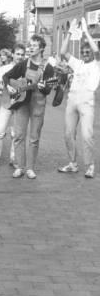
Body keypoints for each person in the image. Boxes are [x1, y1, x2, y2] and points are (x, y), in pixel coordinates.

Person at [3, 35, 55, 179]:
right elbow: (6, 77)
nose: (30, 47)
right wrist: (10, 87)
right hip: (22, 103)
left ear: (42, 48)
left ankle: (30, 168)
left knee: (34, 138)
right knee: (19, 136)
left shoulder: (48, 68)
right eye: (29, 45)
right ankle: (20, 167)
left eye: (34, 45)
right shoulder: (23, 64)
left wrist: (43, 87)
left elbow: (47, 91)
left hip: (38, 104)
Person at [58, 18, 100, 178]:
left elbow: (96, 50)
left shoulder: (96, 63)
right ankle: (73, 164)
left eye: (87, 52)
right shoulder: (78, 63)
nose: (85, 54)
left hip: (87, 101)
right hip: (72, 99)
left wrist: (85, 32)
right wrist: (69, 32)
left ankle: (89, 166)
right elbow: (62, 52)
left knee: (87, 135)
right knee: (68, 133)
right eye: (83, 52)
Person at [0, 44, 26, 168]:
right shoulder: (4, 69)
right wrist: (6, 87)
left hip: (20, 103)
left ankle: (14, 158)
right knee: (0, 131)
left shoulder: (26, 70)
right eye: (18, 54)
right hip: (6, 102)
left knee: (15, 133)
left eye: (22, 54)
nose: (20, 57)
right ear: (13, 54)